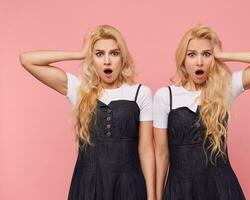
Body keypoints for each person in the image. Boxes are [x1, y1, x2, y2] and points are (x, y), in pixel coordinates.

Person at [20, 25, 156, 200]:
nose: (107, 61)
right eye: (99, 54)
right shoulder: (80, 89)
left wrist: (152, 197)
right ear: (91, 59)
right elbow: (27, 60)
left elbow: (146, 149)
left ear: (123, 58)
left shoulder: (140, 93)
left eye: (114, 53)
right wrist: (79, 54)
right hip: (88, 184)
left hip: (128, 185)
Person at [153, 24, 250, 200]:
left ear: (213, 57)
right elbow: (161, 154)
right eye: (192, 55)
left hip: (221, 188)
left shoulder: (225, 87)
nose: (199, 62)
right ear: (183, 59)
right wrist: (157, 197)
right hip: (181, 190)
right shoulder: (165, 96)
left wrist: (224, 55)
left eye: (206, 54)